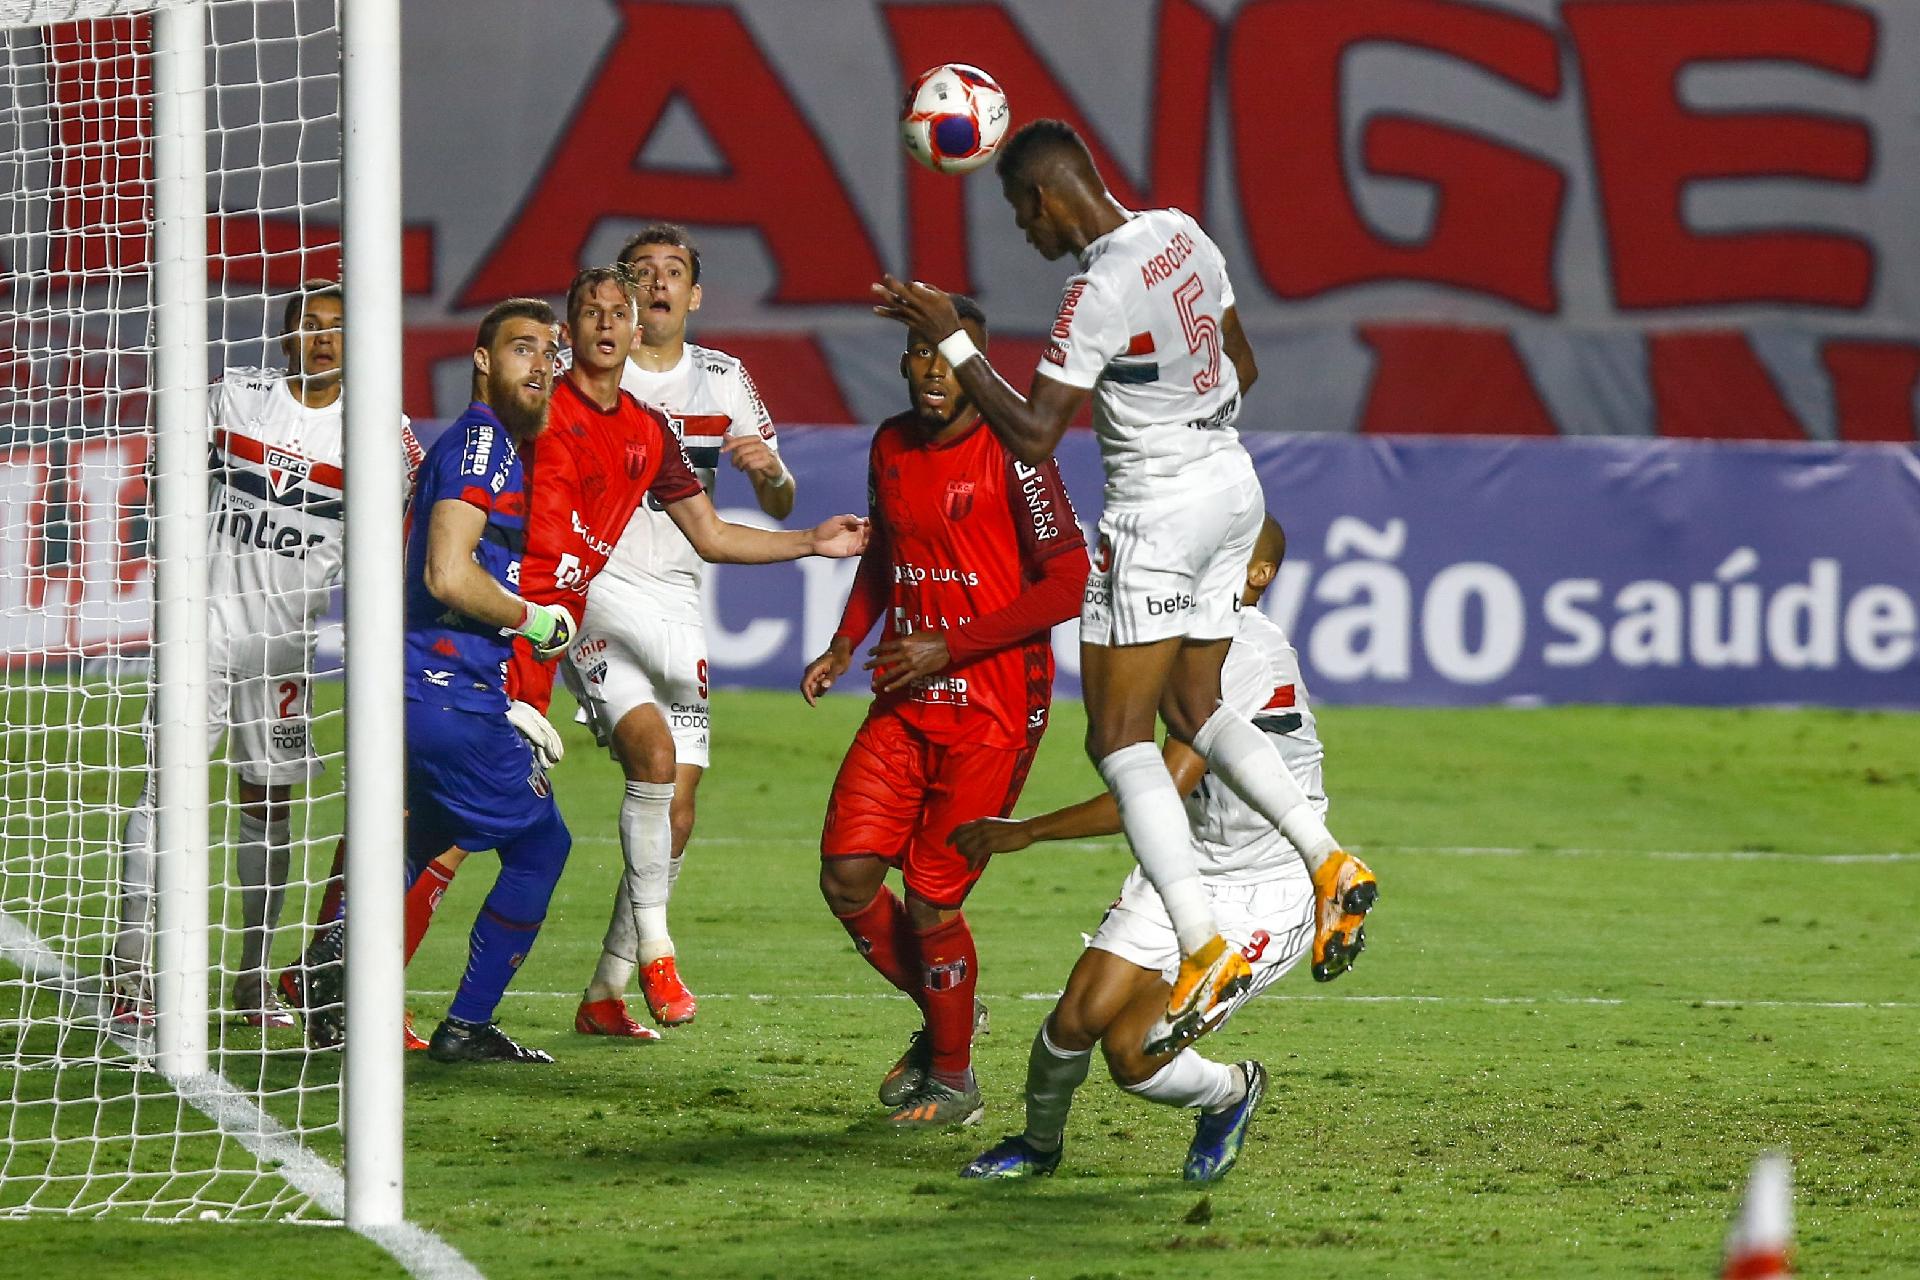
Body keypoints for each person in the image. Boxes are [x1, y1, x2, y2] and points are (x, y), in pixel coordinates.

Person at [871, 119, 1376, 1058]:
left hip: (1159, 513)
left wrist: (955, 342)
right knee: (1195, 705)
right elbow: (1242, 366)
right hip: (1232, 485)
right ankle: (1329, 860)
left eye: (1021, 213)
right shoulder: (1184, 232)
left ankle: (1200, 942)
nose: (1025, 232)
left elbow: (1030, 433)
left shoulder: (1096, 289)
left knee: (1116, 736)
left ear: (1046, 197)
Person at [400, 265, 867, 1045]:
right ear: (568, 335)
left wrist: (811, 542)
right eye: (590, 315)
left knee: (450, 824)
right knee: (474, 828)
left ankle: (353, 980)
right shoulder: (532, 418)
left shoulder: (649, 432)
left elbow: (712, 535)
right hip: (513, 639)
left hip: (545, 639)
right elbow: (461, 519)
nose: (608, 326)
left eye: (619, 314)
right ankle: (383, 993)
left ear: (638, 328)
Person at [954, 518, 1320, 1181]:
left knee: (1134, 1054)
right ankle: (1039, 1148)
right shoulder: (1188, 641)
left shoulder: (1246, 655)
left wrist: (1029, 830)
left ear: (1257, 575)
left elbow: (1163, 787)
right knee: (1074, 1018)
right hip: (1184, 864)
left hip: (1266, 888)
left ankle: (1231, 1092)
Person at [800, 296, 1088, 1126]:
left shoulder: (1018, 449)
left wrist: (950, 647)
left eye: (949, 354)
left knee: (931, 902)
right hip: (905, 695)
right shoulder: (890, 443)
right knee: (847, 878)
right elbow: (887, 550)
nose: (933, 368)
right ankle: (946, 1012)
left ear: (978, 365)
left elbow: (1070, 583)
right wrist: (846, 641)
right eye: (919, 351)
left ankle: (954, 1078)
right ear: (903, 361)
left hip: (995, 709)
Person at [109, 279, 421, 1027]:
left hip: (283, 648)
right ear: (286, 340)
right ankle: (131, 975)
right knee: (167, 790)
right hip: (202, 630)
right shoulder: (237, 397)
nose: (322, 338)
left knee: (270, 806)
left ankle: (250, 981)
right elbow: (164, 474)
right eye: (308, 325)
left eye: (337, 328)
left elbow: (398, 537)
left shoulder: (384, 433)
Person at [561, 225, 794, 1028]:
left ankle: (607, 987)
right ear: (618, 297)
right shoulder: (581, 376)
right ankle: (661, 960)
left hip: (677, 603)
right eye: (642, 274)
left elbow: (768, 478)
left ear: (694, 295)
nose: (658, 284)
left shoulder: (724, 380)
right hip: (592, 593)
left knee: (678, 805)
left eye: (674, 273)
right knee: (652, 758)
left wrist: (769, 476)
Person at [389, 296, 579, 1063]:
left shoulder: (485, 444)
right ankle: (467, 1023)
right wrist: (534, 621)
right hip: (444, 691)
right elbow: (446, 572)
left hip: (418, 689)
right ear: (481, 360)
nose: (540, 365)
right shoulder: (483, 446)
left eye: (548, 353)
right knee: (542, 844)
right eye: (522, 349)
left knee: (419, 841)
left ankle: (333, 988)